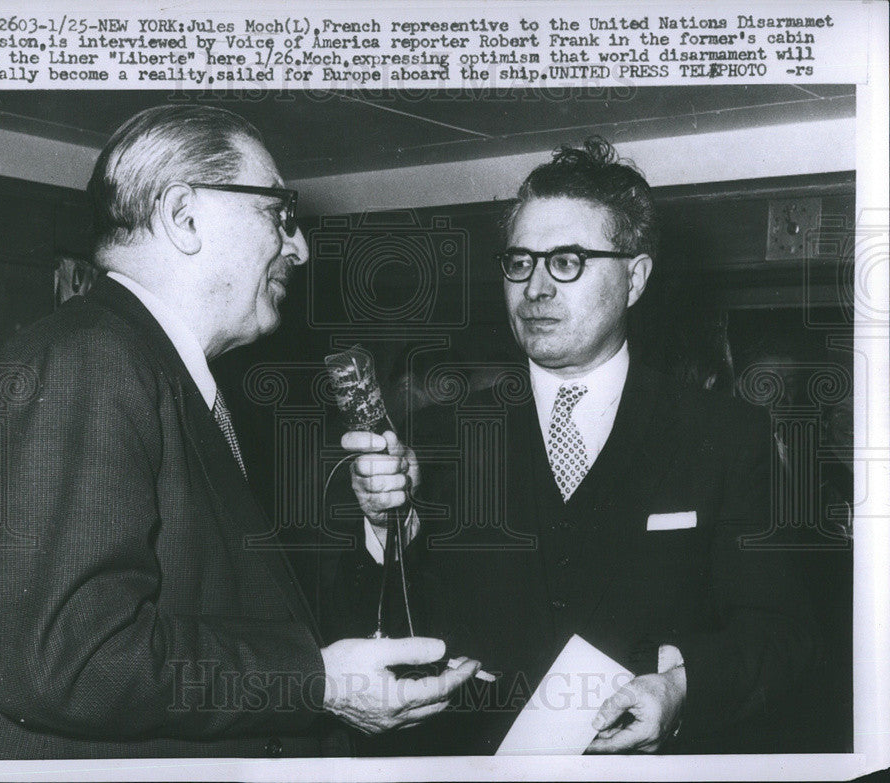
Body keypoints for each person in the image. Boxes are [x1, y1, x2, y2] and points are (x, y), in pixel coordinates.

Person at [0, 105, 480, 759]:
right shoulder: (94, 361)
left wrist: (379, 526)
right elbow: (74, 660)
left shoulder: (159, 373)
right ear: (184, 216)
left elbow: (233, 613)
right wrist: (318, 682)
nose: (298, 245)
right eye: (278, 213)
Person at [338, 137, 817, 754]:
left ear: (635, 278)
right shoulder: (440, 437)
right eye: (520, 261)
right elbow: (377, 636)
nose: (534, 287)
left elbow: (783, 636)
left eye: (566, 260)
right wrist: (385, 526)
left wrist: (681, 690)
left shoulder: (724, 436)